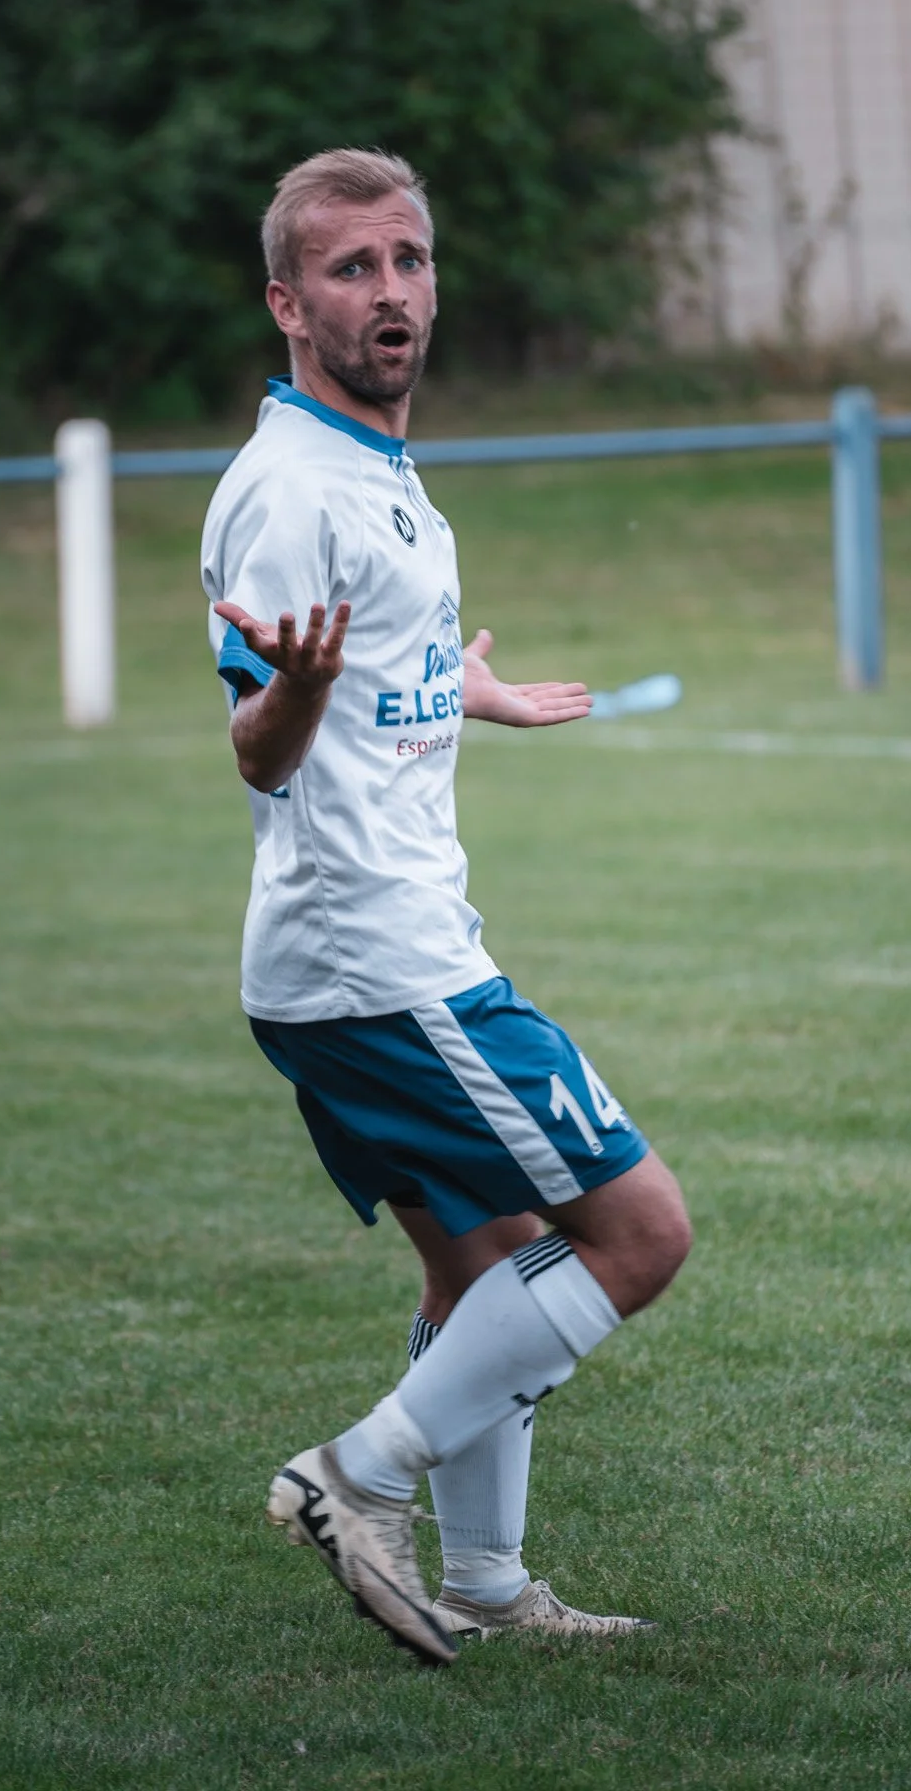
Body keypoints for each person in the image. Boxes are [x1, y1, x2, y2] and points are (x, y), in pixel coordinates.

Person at [199, 148, 692, 1666]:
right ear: (289, 302)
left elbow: (368, 677)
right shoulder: (285, 490)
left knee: (483, 1265)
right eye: (352, 270)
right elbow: (259, 749)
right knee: (633, 1234)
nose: (392, 293)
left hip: (342, 959)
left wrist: (452, 691)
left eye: (408, 261)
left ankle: (483, 1581)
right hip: (379, 957)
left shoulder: (379, 474)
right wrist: (293, 694)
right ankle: (350, 1477)